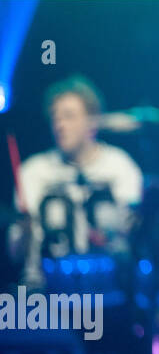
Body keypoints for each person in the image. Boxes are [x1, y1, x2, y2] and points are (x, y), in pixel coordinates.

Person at [7, 75, 143, 289]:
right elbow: (15, 256)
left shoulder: (121, 166)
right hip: (44, 296)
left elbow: (132, 238)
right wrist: (22, 233)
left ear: (93, 121)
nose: (60, 125)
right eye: (55, 118)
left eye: (69, 116)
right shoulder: (32, 172)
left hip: (108, 292)